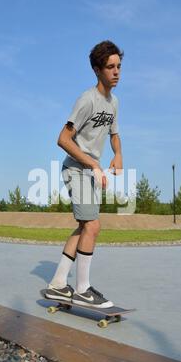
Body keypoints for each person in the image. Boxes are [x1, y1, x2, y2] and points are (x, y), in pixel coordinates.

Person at [44, 40, 124, 308]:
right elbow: (63, 139)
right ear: (97, 70)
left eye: (119, 66)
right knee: (93, 225)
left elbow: (114, 134)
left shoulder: (114, 103)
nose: (116, 72)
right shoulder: (87, 100)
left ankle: (57, 284)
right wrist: (91, 163)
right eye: (110, 67)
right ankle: (82, 289)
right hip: (76, 168)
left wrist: (118, 154)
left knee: (84, 226)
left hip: (90, 170)